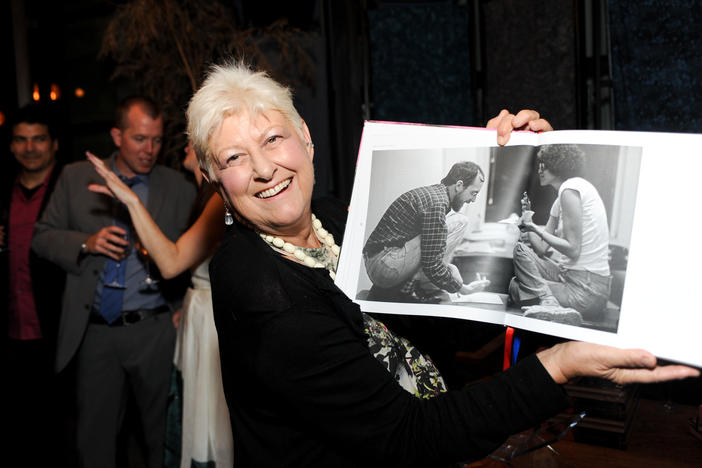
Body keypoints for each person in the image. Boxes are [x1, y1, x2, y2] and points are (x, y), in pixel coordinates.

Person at [186, 61, 698, 467]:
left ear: (305, 136)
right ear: (214, 177)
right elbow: (409, 436)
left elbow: (419, 325)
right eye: (234, 158)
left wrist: (522, 150)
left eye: (273, 139)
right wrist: (558, 365)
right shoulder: (265, 294)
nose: (263, 169)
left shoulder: (332, 221)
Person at [32, 96, 196, 468]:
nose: (150, 150)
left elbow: (200, 252)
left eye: (156, 140)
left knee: (161, 437)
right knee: (95, 440)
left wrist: (188, 301)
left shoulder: (178, 187)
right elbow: (41, 237)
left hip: (154, 328)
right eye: (140, 139)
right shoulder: (76, 178)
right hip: (95, 333)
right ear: (117, 135)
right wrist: (85, 243)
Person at [86, 139, 233, 468]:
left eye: (192, 140)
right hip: (197, 312)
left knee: (211, 427)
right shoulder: (205, 194)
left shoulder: (219, 199)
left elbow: (172, 261)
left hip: (212, 322)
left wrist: (131, 201)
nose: (183, 145)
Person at [2, 103, 70, 467]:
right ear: (12, 146)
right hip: (12, 335)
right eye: (21, 140)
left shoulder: (72, 188)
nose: (30, 148)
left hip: (58, 331)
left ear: (54, 144)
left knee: (63, 432)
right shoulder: (3, 192)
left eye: (39, 139)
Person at [509, 144, 611, 326]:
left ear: (559, 165)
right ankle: (548, 300)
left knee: (518, 288)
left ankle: (548, 302)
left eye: (545, 165)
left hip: (587, 289)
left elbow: (572, 249)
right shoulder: (560, 199)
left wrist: (534, 227)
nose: (540, 170)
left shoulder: (570, 189)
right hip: (572, 278)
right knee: (520, 255)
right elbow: (540, 249)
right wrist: (527, 219)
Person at [363, 160, 491, 303]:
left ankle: (423, 285)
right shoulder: (437, 204)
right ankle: (419, 288)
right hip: (383, 265)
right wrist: (462, 288)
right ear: (459, 185)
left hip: (379, 262)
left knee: (439, 236)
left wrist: (449, 268)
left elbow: (432, 255)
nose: (473, 200)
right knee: (460, 221)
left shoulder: (435, 195)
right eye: (473, 193)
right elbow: (432, 264)